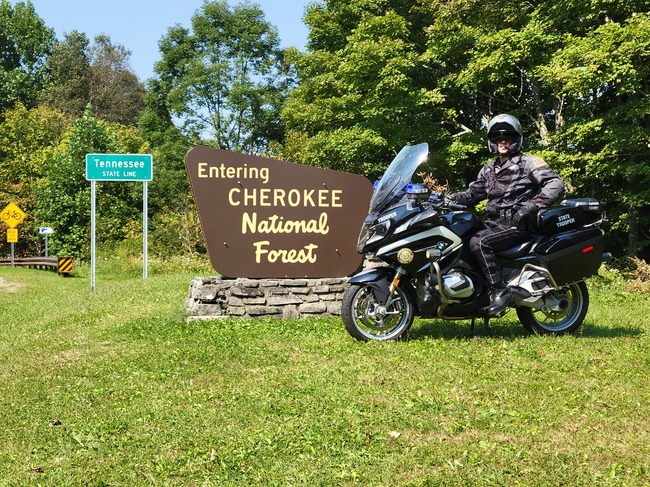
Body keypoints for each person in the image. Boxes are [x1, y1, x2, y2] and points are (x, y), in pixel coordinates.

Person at [449, 113, 565, 315]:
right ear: (492, 142)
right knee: (460, 238)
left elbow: (555, 185)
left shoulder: (528, 163)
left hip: (517, 225)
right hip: (494, 224)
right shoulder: (489, 169)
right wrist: (444, 199)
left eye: (507, 138)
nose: (502, 142)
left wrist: (529, 207)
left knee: (479, 243)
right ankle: (474, 294)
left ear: (516, 139)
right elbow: (471, 195)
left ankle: (500, 291)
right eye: (497, 138)